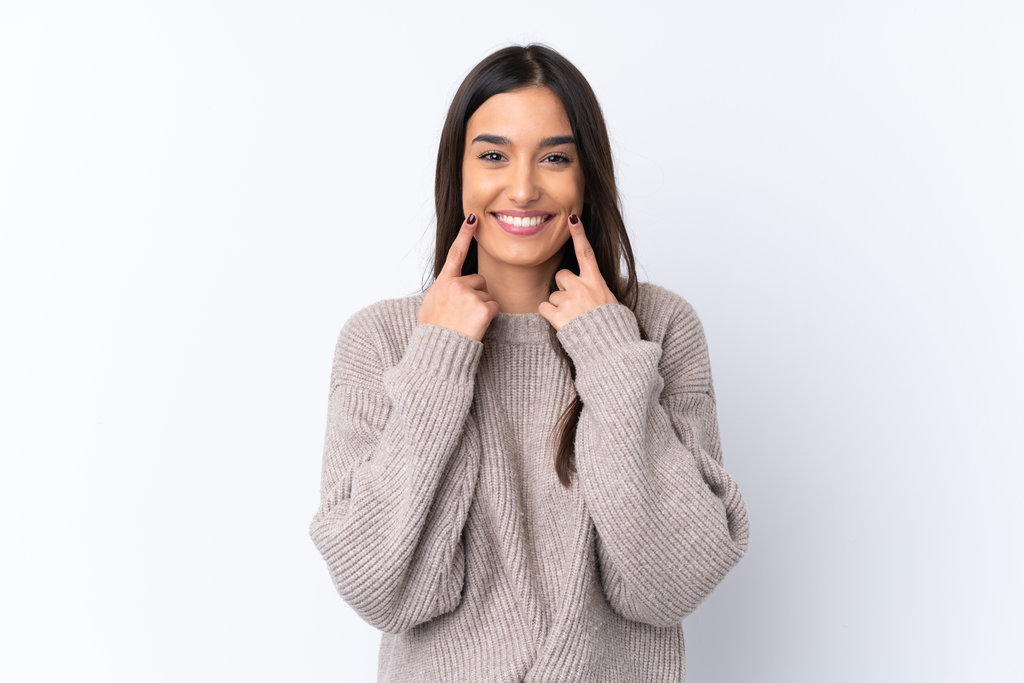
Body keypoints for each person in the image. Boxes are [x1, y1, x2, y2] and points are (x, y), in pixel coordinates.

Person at [308, 43, 751, 682]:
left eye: (554, 158)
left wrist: (608, 351)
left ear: (586, 177)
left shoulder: (657, 328)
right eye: (493, 155)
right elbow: (381, 587)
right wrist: (439, 360)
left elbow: (671, 583)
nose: (522, 187)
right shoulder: (382, 339)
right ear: (457, 173)